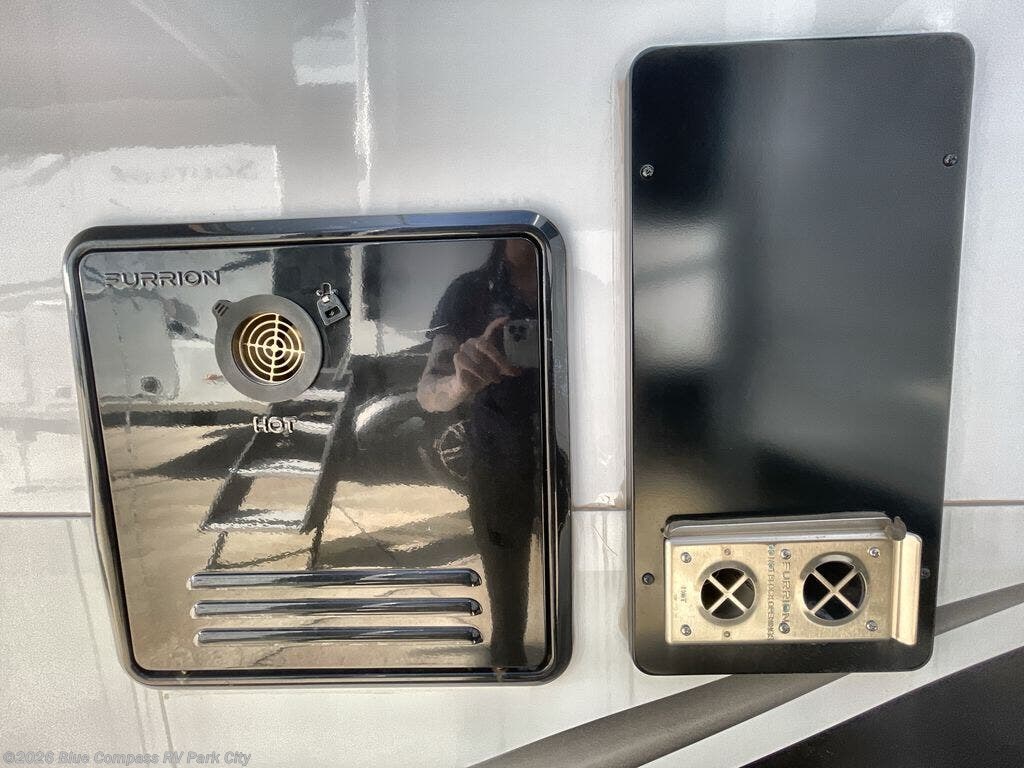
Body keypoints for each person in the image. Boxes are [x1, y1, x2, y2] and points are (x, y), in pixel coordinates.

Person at [417, 238, 541, 668]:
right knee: (506, 619)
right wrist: (460, 380)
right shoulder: (469, 291)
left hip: (587, 460)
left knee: (594, 590)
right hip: (498, 456)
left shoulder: (591, 278)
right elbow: (428, 393)